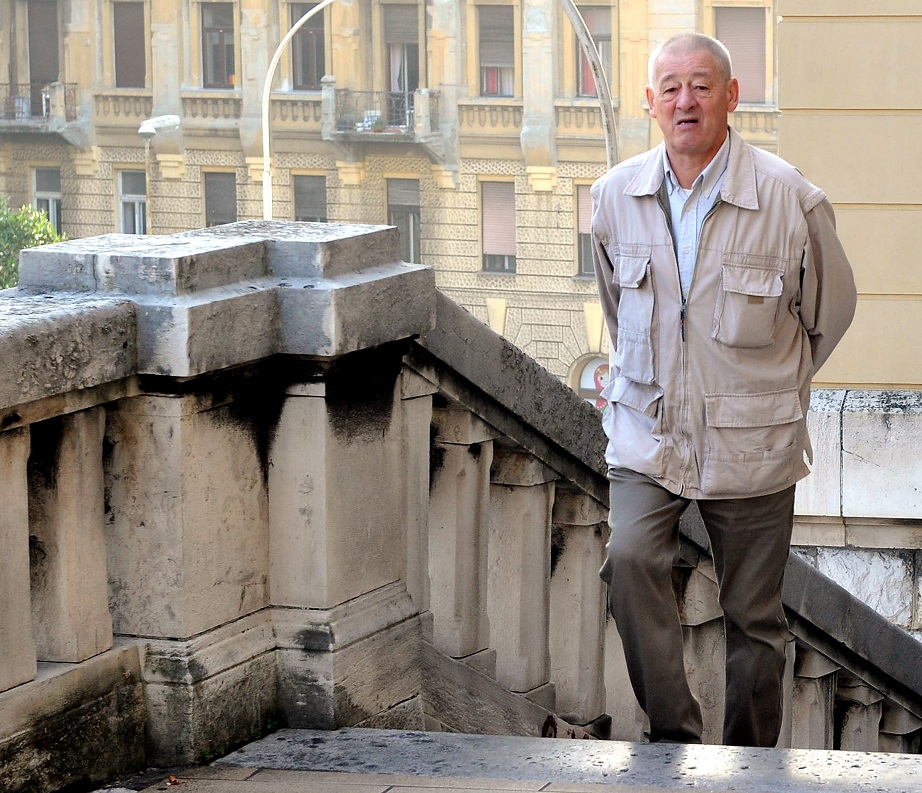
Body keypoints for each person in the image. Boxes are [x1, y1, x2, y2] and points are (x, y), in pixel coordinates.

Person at [590, 32, 857, 747]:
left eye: (702, 86)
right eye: (670, 88)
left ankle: (748, 763)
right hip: (648, 433)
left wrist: (766, 390)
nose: (686, 101)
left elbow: (829, 313)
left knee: (754, 619)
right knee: (629, 563)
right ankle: (675, 737)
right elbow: (616, 308)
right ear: (649, 102)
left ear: (731, 96)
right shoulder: (613, 196)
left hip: (753, 444)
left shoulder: (789, 197)